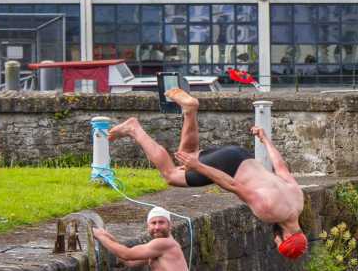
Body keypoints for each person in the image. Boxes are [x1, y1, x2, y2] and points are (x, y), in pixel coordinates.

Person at [108, 89, 308, 260]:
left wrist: (265, 140)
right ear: (286, 237)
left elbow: (281, 167)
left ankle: (189, 110)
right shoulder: (270, 212)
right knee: (171, 175)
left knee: (187, 154)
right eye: (278, 243)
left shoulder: (298, 201)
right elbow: (232, 185)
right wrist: (199, 167)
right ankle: (134, 129)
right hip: (229, 167)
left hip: (241, 156)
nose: (274, 240)